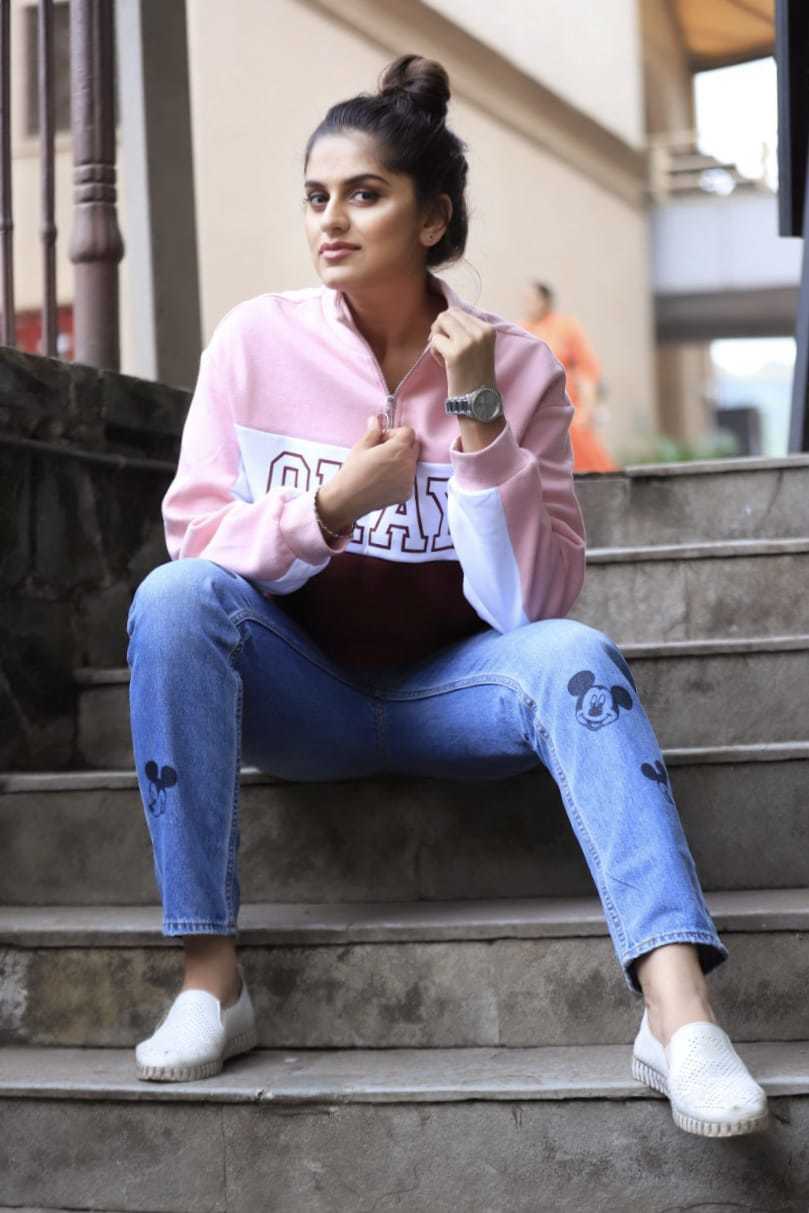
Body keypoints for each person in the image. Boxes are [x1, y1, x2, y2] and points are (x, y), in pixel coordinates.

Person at [126, 54, 767, 1137]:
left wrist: (476, 422)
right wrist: (330, 505)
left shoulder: (516, 365)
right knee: (172, 598)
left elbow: (533, 607)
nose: (330, 221)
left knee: (576, 655)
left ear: (431, 218)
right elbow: (194, 538)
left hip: (460, 693)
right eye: (316, 197)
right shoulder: (254, 342)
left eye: (363, 194)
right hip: (304, 694)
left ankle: (677, 1016)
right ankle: (210, 979)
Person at [521, 283, 617, 473]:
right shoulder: (523, 330)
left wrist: (587, 409)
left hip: (569, 409)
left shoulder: (565, 327)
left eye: (532, 299)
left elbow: (587, 369)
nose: (528, 304)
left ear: (545, 300)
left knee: (587, 464)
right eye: (526, 300)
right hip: (538, 413)